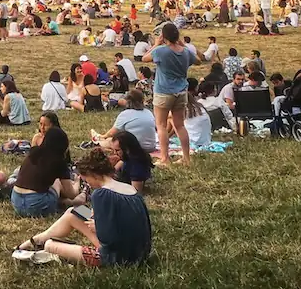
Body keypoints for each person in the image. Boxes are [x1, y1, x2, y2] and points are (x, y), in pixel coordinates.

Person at [15, 148, 152, 267]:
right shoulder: (127, 188)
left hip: (117, 257)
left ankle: (41, 243)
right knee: (74, 210)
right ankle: (34, 241)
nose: (88, 184)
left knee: (51, 246)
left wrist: (97, 225)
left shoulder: (101, 194)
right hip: (140, 251)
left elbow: (106, 237)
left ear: (92, 174)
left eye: (86, 180)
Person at [143, 23, 197, 165]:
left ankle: (165, 158)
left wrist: (156, 44)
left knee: (161, 125)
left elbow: (144, 58)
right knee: (180, 125)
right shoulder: (185, 52)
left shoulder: (161, 51)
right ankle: (186, 158)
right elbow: (198, 60)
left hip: (163, 91)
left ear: (164, 36)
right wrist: (183, 45)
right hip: (181, 92)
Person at [11, 125, 73, 217]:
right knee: (57, 182)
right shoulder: (59, 162)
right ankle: (76, 203)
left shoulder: (33, 152)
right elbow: (71, 193)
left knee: (53, 190)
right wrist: (78, 185)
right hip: (37, 205)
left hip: (16, 202)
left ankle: (65, 203)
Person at [102, 89, 158, 153]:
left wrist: (102, 136)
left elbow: (111, 133)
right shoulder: (148, 112)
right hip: (151, 147)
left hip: (134, 149)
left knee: (107, 141)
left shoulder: (125, 114)